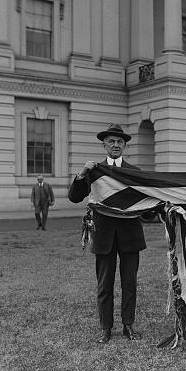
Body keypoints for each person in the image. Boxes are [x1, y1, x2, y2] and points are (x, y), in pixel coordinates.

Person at [68, 123, 147, 344]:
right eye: (111, 141)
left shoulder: (135, 173)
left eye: (120, 141)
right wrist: (81, 174)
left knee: (129, 283)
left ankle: (128, 325)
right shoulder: (93, 172)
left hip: (130, 235)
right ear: (104, 145)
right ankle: (106, 328)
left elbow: (147, 204)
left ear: (125, 146)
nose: (115, 145)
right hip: (103, 236)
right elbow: (74, 197)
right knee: (104, 285)